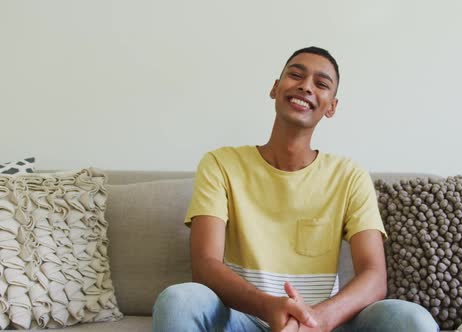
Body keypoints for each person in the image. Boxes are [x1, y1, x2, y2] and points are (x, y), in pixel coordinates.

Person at [152, 47, 439, 332]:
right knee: (179, 300)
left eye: (321, 83)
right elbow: (205, 265)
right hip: (244, 320)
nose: (305, 86)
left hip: (324, 323)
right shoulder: (221, 164)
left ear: (331, 107)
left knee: (412, 319)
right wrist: (270, 307)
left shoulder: (349, 175)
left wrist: (317, 320)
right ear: (275, 89)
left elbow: (374, 276)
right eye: (296, 75)